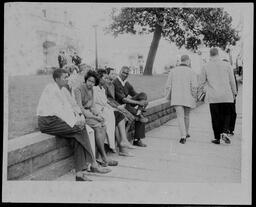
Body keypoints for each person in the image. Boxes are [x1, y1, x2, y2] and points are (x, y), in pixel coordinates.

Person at [36, 69, 111, 181]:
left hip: (56, 120)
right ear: (57, 79)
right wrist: (75, 122)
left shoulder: (61, 90)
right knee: (80, 129)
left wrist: (77, 120)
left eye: (67, 76)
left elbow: (68, 107)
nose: (67, 79)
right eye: (64, 77)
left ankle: (80, 174)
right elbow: (59, 111)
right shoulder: (51, 89)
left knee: (78, 134)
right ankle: (93, 164)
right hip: (47, 122)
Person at [74, 70, 118, 167]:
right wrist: (94, 117)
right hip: (81, 115)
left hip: (89, 113)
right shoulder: (79, 89)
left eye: (93, 82)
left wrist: (99, 115)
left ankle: (100, 157)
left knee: (103, 125)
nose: (90, 83)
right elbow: (80, 108)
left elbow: (93, 106)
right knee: (98, 127)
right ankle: (104, 157)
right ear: (86, 80)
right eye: (89, 81)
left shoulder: (92, 90)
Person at [199, 48, 237, 144]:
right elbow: (232, 81)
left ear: (210, 55)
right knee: (227, 115)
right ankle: (224, 132)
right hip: (227, 95)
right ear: (218, 54)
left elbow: (201, 83)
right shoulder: (227, 65)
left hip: (214, 96)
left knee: (215, 117)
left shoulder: (205, 66)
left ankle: (217, 138)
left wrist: (203, 92)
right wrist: (234, 92)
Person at [95, 69, 136, 156]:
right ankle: (122, 147)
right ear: (99, 78)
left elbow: (106, 102)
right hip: (100, 111)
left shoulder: (101, 88)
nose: (106, 80)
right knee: (118, 117)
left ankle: (123, 143)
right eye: (105, 78)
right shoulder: (95, 88)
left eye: (107, 78)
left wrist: (116, 108)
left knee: (119, 117)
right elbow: (101, 103)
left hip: (107, 110)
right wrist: (115, 108)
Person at [165, 55, 198, 144]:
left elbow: (168, 85)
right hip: (188, 97)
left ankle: (183, 136)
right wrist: (195, 97)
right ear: (187, 61)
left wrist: (168, 96)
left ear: (181, 61)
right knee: (187, 116)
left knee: (180, 117)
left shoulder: (173, 71)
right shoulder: (191, 71)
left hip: (177, 97)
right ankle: (186, 133)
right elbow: (194, 86)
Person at [113, 66, 148, 147]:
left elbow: (136, 95)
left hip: (127, 105)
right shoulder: (116, 82)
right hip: (119, 105)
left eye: (127, 73)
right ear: (120, 72)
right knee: (139, 116)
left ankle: (139, 112)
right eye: (123, 72)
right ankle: (136, 140)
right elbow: (124, 99)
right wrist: (139, 103)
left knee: (143, 94)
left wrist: (143, 102)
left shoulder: (126, 83)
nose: (125, 75)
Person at [222, 59, 238, 136]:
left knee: (231, 113)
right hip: (227, 96)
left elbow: (234, 83)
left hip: (230, 95)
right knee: (229, 113)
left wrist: (235, 94)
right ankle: (228, 129)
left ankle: (230, 129)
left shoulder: (231, 72)